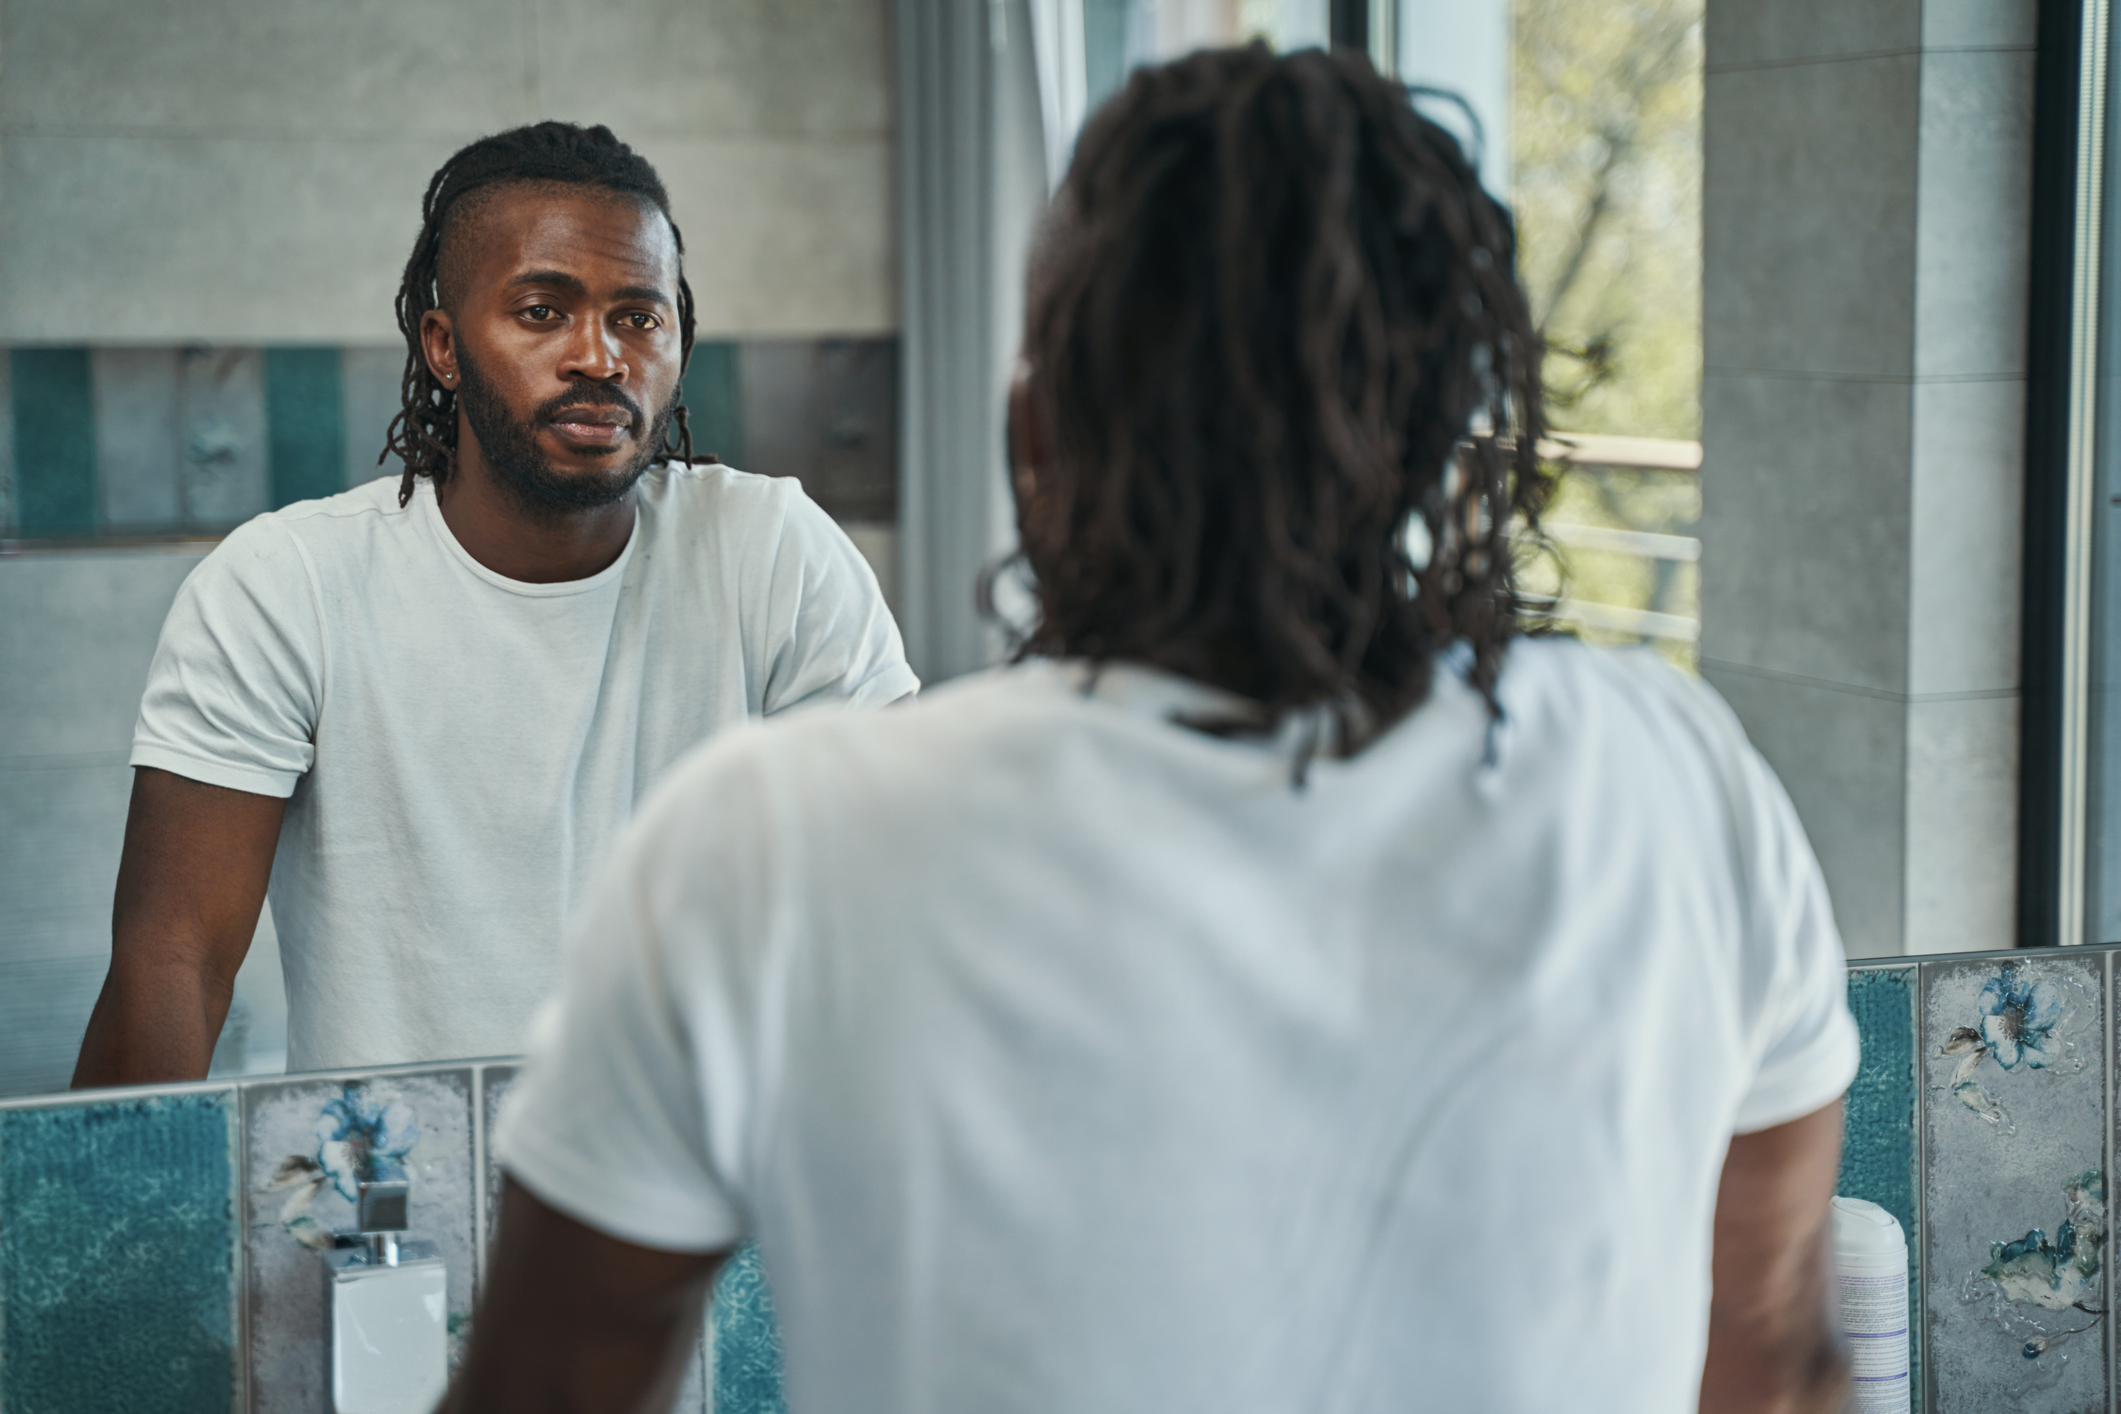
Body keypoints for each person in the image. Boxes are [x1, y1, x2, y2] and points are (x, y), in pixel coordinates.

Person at [450, 49, 1856, 1414]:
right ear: (1452, 429)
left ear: (1033, 441)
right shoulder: (1676, 780)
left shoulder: (777, 847)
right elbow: (1774, 1369)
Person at [71, 122, 917, 1086]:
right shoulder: (284, 586)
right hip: (388, 1203)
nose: (599, 356)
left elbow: (895, 906)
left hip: (702, 1200)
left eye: (638, 317)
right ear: (443, 345)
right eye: (542, 311)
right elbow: (172, 961)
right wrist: (125, 1224)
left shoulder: (771, 552)